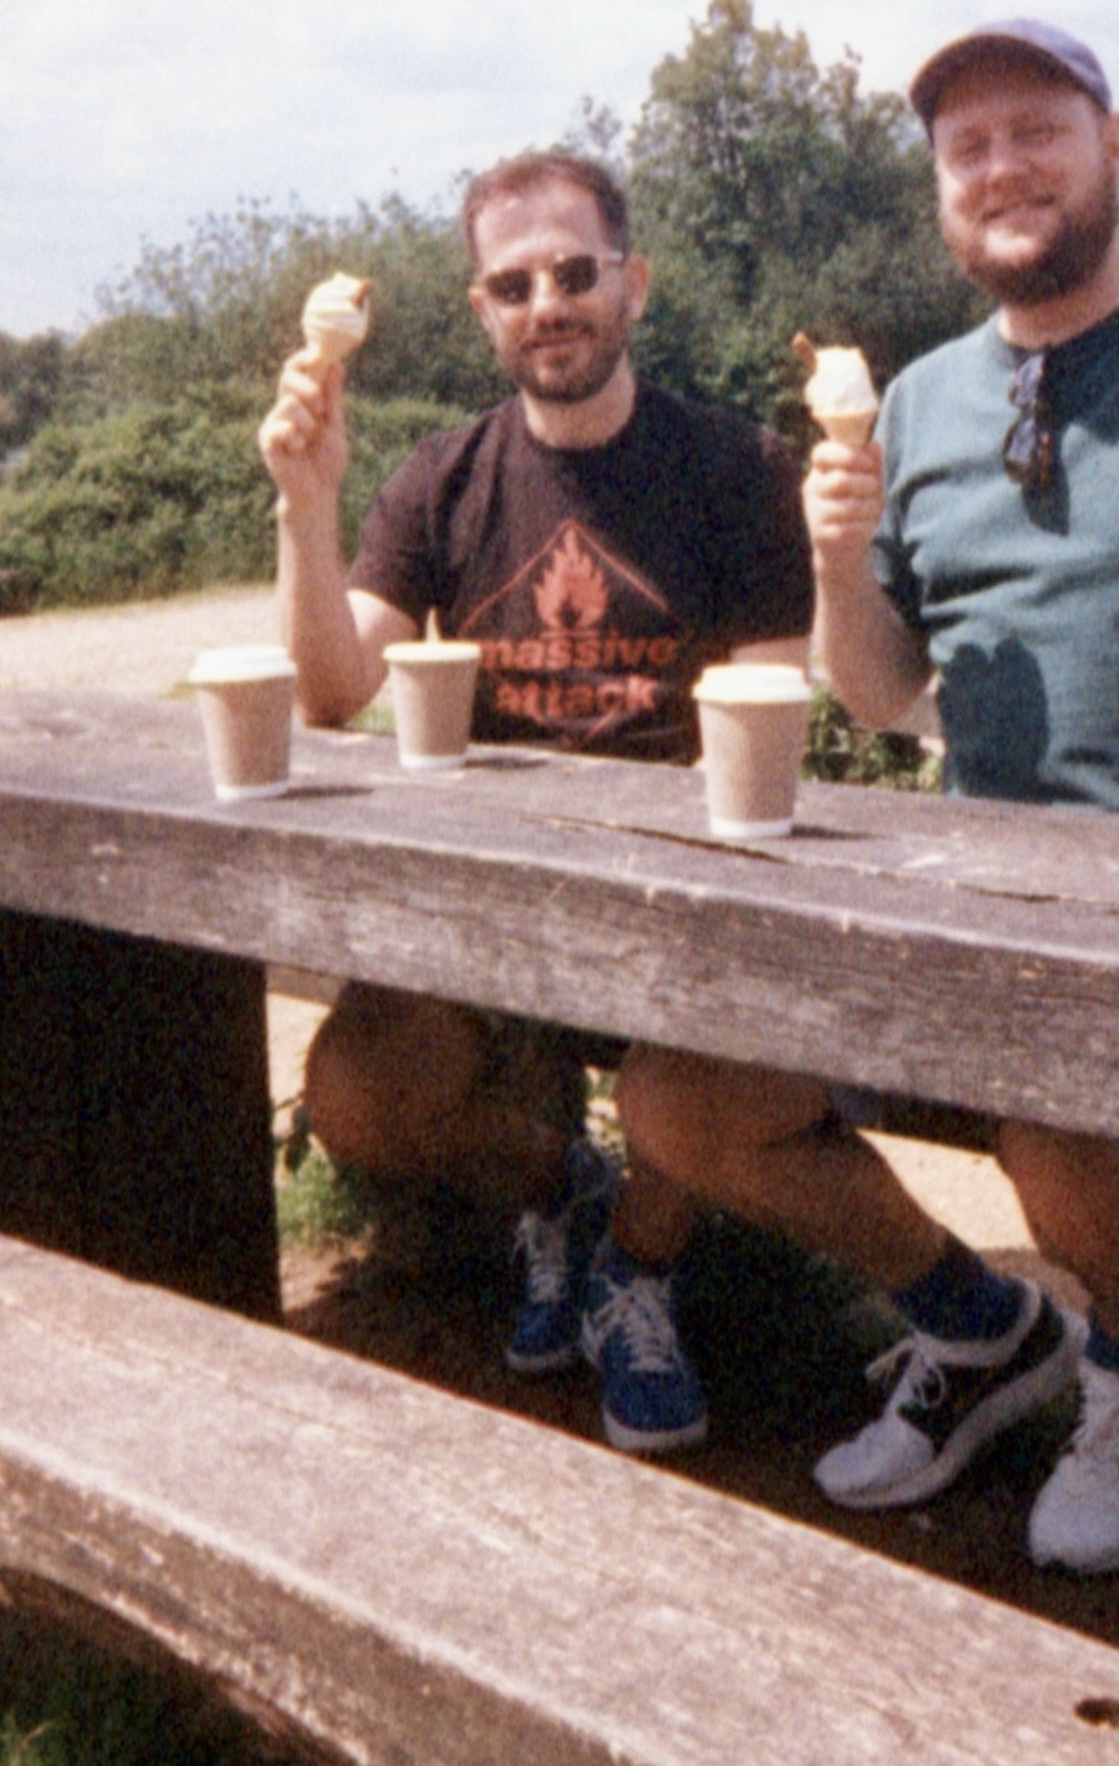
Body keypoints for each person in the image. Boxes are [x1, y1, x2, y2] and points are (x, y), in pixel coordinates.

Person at [621, 21, 1119, 1575]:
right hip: (963, 893)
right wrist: (833, 560)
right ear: (938, 188)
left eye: (1035, 130)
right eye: (965, 148)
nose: (1001, 168)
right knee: (677, 1096)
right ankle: (978, 1327)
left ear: (1112, 145)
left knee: (1058, 1117)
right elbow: (877, 691)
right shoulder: (919, 401)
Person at [256, 149, 813, 1457]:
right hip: (491, 901)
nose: (547, 303)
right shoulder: (441, 478)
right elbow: (330, 690)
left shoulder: (738, 466)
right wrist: (305, 505)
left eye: (574, 272)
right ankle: (564, 1191)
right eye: (514, 284)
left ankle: (635, 1267)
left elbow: (772, 705)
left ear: (632, 282)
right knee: (353, 1087)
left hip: (682, 889)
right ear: (482, 310)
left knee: (699, 1067)